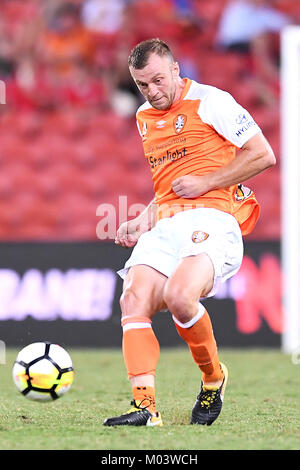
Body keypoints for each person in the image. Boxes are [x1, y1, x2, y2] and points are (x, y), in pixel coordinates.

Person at [103, 38, 276, 427]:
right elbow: (167, 187)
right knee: (133, 299)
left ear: (177, 69)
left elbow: (263, 154)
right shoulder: (144, 116)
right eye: (142, 84)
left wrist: (207, 181)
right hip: (167, 223)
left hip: (214, 219)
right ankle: (145, 408)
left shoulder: (212, 101)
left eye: (158, 80)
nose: (152, 91)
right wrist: (143, 218)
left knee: (180, 296)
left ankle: (213, 378)